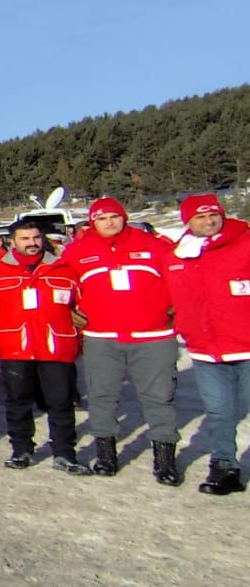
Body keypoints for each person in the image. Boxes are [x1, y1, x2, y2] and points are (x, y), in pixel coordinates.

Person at [61, 198, 179, 483]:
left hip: (152, 336)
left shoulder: (153, 245)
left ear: (124, 217)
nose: (109, 222)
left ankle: (165, 461)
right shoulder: (77, 251)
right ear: (92, 223)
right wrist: (68, 309)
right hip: (102, 337)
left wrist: (176, 309)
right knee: (102, 396)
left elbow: (179, 278)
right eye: (102, 218)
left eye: (114, 216)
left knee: (159, 398)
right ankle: (106, 456)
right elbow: (62, 284)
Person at [0, 219, 88, 473]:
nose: (31, 243)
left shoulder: (63, 269)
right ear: (13, 242)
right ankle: (21, 450)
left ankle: (65, 453)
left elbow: (82, 305)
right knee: (18, 402)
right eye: (25, 238)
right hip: (16, 346)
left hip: (56, 345)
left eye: (36, 237)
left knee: (61, 402)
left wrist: (79, 336)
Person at [166, 194, 250, 495]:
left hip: (246, 344)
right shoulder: (177, 255)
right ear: (188, 221)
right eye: (200, 217)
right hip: (206, 351)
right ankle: (224, 467)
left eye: (213, 214)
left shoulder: (245, 243)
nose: (209, 221)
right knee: (219, 412)